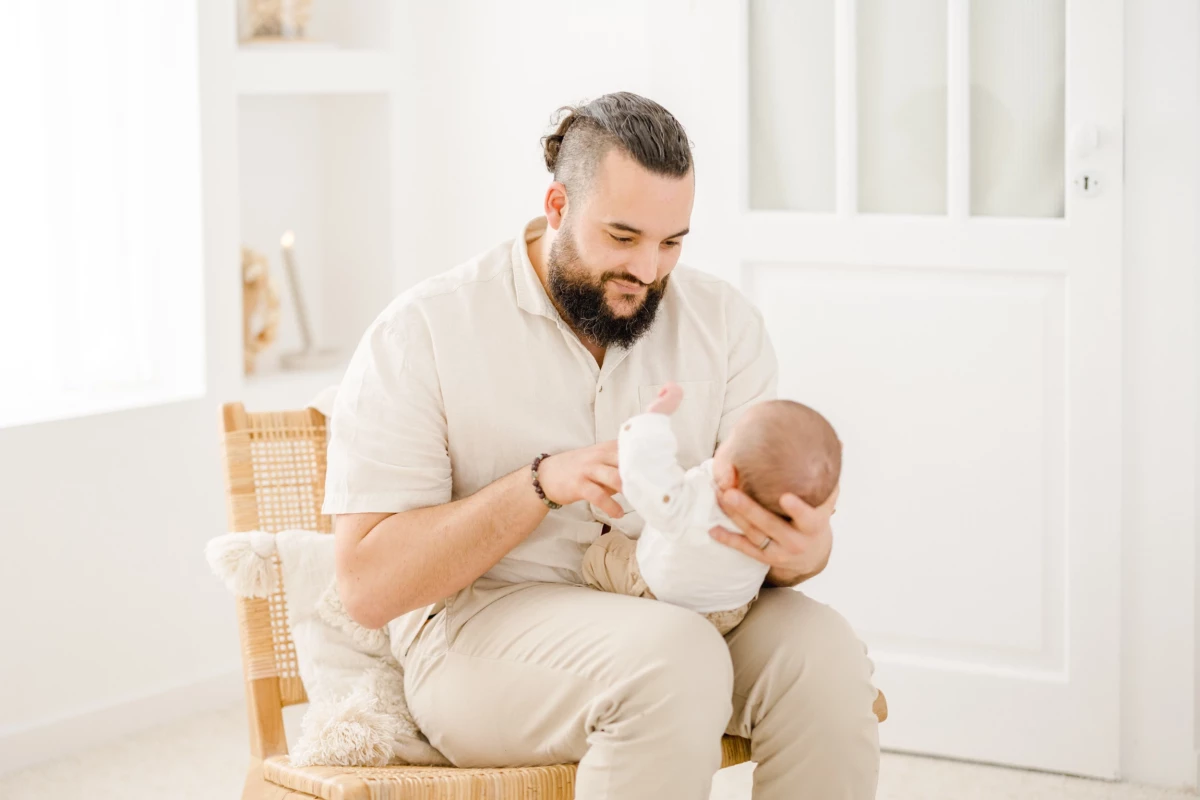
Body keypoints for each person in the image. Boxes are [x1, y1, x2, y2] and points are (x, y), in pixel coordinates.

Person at [325, 91, 880, 799]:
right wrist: (538, 484)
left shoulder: (724, 323)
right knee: (672, 659)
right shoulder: (423, 331)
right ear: (557, 206)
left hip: (686, 606)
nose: (648, 270)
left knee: (826, 658)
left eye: (671, 242)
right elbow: (367, 588)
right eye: (623, 238)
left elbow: (764, 542)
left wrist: (801, 550)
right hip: (482, 630)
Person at [582, 381, 841, 636]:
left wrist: (651, 422)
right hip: (732, 611)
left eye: (732, 437)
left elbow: (644, 474)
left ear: (730, 475)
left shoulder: (697, 501)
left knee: (601, 552)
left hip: (660, 596)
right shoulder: (777, 522)